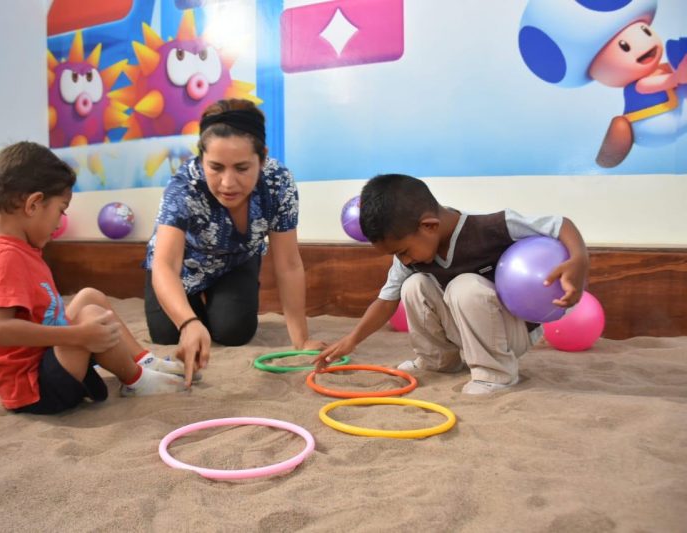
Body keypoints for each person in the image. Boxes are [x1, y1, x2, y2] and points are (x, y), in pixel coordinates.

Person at [314, 174, 589, 395]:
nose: (403, 259)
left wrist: (579, 259)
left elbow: (559, 224)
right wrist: (351, 340)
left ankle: (496, 374)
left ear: (429, 226)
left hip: (510, 334)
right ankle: (438, 361)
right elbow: (386, 301)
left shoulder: (492, 226)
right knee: (414, 285)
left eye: (404, 251)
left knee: (464, 286)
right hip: (464, 329)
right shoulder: (410, 256)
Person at [0, 141, 186, 415]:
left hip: (43, 358)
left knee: (89, 297)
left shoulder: (18, 249)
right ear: (34, 204)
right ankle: (136, 381)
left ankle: (142, 361)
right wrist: (79, 335)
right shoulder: (6, 256)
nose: (60, 222)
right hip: (33, 387)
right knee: (90, 317)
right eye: (61, 209)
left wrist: (76, 335)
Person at [143, 99, 323, 385]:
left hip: (236, 262)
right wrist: (188, 323)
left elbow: (288, 263)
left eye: (241, 168)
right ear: (201, 158)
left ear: (262, 158)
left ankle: (213, 309)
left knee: (233, 332)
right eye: (215, 167)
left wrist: (301, 340)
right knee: (167, 334)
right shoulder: (183, 185)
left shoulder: (278, 181)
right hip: (184, 270)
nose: (228, 183)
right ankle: (194, 313)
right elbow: (165, 264)